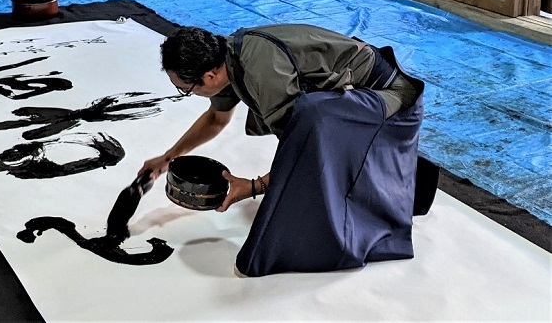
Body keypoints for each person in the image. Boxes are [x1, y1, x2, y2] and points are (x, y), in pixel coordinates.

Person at [142, 24, 432, 277]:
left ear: (209, 77)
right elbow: (217, 118)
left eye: (185, 88)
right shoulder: (227, 56)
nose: (187, 93)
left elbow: (300, 149)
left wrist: (254, 187)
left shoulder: (260, 69)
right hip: (364, 96)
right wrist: (168, 158)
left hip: (392, 100)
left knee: (312, 116)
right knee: (311, 118)